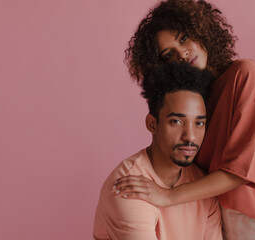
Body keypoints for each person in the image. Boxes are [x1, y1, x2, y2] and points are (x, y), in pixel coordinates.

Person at [114, 0, 255, 239]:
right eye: (169, 54)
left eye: (184, 38)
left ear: (201, 30)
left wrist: (166, 196)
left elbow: (240, 171)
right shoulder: (196, 101)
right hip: (223, 223)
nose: (183, 54)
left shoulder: (245, 75)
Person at [93, 62, 222, 240]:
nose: (191, 137)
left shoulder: (202, 188)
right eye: (177, 121)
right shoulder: (127, 187)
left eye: (199, 123)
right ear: (152, 124)